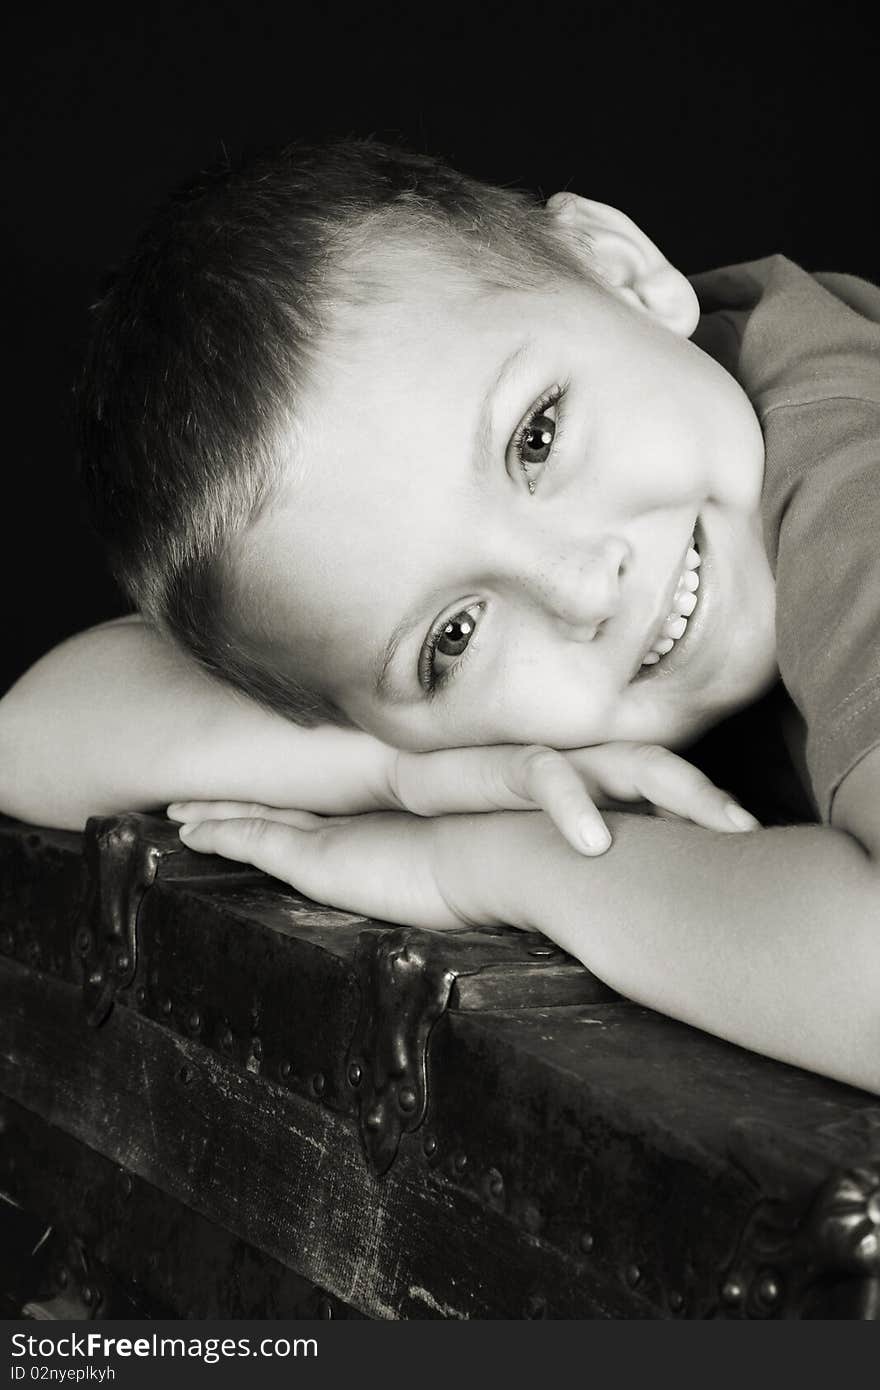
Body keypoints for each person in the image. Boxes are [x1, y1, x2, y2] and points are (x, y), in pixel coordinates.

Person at [1, 138, 878, 1094]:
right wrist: (407, 771)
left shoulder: (849, 468)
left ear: (621, 273)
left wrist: (503, 863)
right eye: (451, 639)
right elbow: (31, 737)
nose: (582, 589)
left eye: (535, 437)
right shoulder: (645, 427)